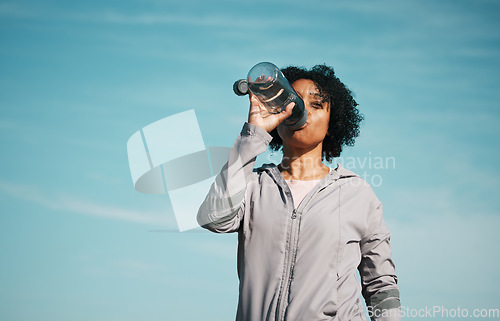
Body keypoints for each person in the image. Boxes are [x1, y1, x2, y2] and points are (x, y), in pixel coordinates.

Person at [197, 65, 400, 321]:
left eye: (316, 105)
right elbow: (214, 218)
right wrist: (254, 134)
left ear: (332, 123)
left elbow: (381, 285)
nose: (300, 111)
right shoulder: (253, 185)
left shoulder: (356, 193)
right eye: (291, 102)